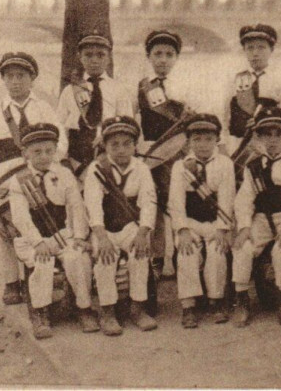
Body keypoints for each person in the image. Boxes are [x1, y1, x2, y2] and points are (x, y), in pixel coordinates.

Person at [0, 52, 67, 306]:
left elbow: (61, 140)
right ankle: (11, 282)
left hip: (39, 175)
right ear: (3, 80)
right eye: (10, 77)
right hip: (7, 179)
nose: (16, 82)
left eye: (21, 76)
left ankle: (50, 272)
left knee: (44, 221)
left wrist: (50, 163)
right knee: (5, 230)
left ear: (32, 79)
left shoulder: (43, 108)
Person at [7, 123, 97, 339]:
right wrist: (38, 242)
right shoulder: (19, 180)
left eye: (49, 150)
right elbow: (20, 217)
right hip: (32, 241)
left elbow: (76, 206)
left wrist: (78, 236)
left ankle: (83, 307)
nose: (43, 156)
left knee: (77, 257)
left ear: (55, 150)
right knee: (42, 262)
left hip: (62, 235)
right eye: (37, 151)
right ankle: (40, 312)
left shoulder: (64, 174)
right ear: (25, 153)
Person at [230, 106, 281, 327]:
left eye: (278, 134)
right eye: (267, 135)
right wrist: (244, 226)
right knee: (243, 247)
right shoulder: (254, 165)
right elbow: (244, 199)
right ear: (259, 137)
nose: (272, 140)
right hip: (262, 218)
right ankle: (242, 299)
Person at [83, 116, 158, 335]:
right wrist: (102, 237)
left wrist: (143, 233)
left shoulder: (141, 168)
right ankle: (108, 311)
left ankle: (138, 307)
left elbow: (149, 202)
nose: (121, 150)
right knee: (105, 258)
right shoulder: (96, 169)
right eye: (114, 144)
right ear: (104, 146)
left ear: (135, 146)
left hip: (130, 226)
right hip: (103, 228)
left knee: (140, 252)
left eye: (127, 144)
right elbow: (93, 206)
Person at [168, 114, 236, 328]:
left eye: (208, 139)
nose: (203, 145)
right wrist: (182, 230)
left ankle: (216, 300)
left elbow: (227, 198)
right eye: (197, 139)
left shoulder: (225, 163)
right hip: (191, 222)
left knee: (217, 250)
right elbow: (176, 202)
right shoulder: (181, 166)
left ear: (217, 139)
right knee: (186, 252)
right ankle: (189, 305)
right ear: (188, 142)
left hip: (217, 222)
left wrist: (223, 229)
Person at [135, 30, 189, 280]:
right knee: (153, 206)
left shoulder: (186, 86)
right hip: (151, 154)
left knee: (179, 203)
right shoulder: (141, 87)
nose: (163, 60)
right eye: (157, 54)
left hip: (179, 154)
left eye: (169, 54)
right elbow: (135, 123)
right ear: (149, 56)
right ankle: (157, 258)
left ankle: (182, 255)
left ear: (177, 58)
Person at [58, 33, 133, 176]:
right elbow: (60, 125)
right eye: (88, 55)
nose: (94, 60)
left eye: (100, 55)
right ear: (80, 58)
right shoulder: (70, 91)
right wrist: (62, 156)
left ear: (108, 58)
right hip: (76, 153)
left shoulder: (119, 89)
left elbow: (127, 123)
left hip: (108, 151)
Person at [223, 24, 281, 154]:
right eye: (250, 48)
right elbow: (224, 114)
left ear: (271, 50)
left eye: (261, 48)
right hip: (238, 145)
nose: (255, 53)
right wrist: (222, 144)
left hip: (271, 145)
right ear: (244, 50)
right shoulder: (234, 79)